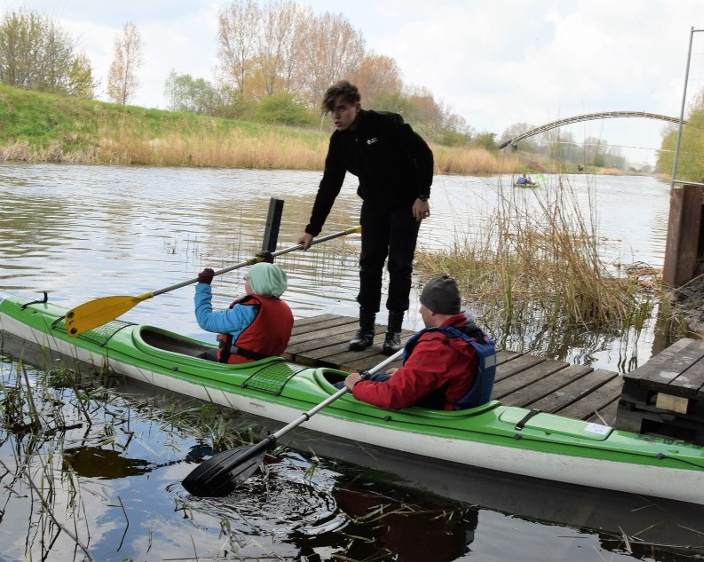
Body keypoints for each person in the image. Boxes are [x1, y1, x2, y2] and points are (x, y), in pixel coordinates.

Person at [297, 80, 435, 355]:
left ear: (356, 107)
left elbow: (424, 153)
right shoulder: (339, 141)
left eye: (341, 109)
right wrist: (312, 229)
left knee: (399, 265)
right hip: (373, 205)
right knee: (368, 264)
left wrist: (422, 195)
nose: (336, 116)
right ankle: (366, 329)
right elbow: (329, 186)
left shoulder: (386, 124)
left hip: (406, 206)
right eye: (330, 111)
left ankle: (394, 333)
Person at [343, 275, 496, 410]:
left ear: (433, 311)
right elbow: (447, 374)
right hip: (460, 401)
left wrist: (357, 385)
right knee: (375, 378)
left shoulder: (438, 346)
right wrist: (410, 373)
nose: (420, 310)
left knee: (344, 387)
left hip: (441, 413)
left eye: (423, 304)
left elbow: (394, 396)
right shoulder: (475, 334)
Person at [193, 262, 293, 363]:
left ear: (256, 283)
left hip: (240, 365)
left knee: (205, 356)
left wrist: (203, 285)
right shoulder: (284, 308)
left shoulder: (245, 311)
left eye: (247, 279)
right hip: (265, 362)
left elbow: (205, 320)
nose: (245, 282)